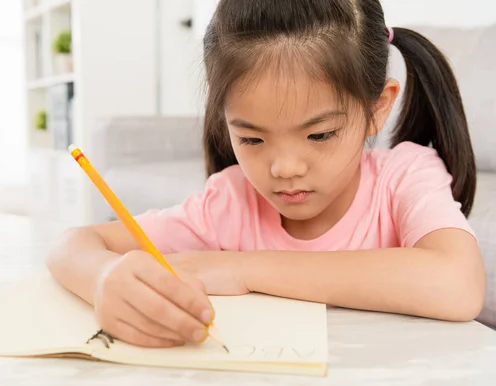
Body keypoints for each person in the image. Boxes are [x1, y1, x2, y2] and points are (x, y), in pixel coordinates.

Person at [46, 0, 486, 349]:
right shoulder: (228, 201)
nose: (285, 169)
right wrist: (103, 280)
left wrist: (242, 268)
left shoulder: (405, 175)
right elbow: (72, 244)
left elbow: (459, 285)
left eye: (320, 134)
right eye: (252, 140)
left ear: (379, 108)